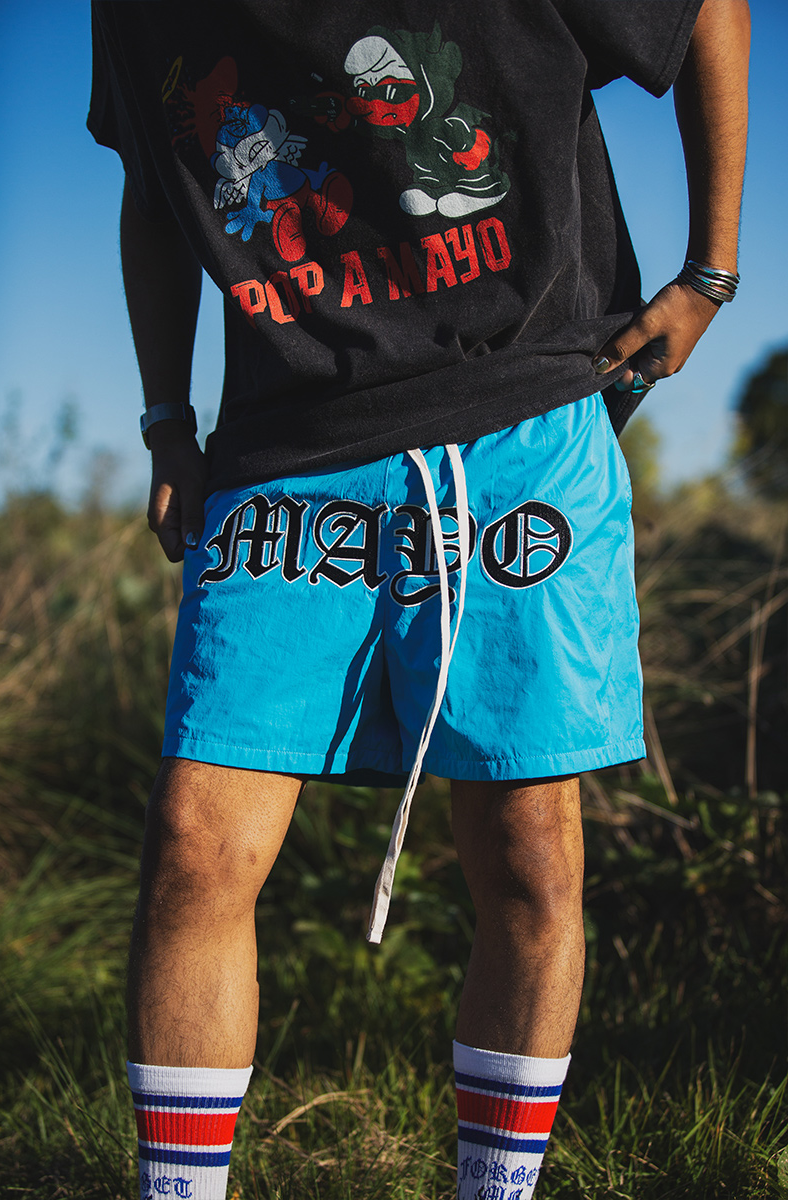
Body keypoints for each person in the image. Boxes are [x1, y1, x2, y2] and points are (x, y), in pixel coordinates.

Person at [88, 2, 749, 1197]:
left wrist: (709, 271)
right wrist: (165, 417)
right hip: (284, 447)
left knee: (529, 852)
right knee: (194, 841)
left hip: (518, 416)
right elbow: (156, 177)